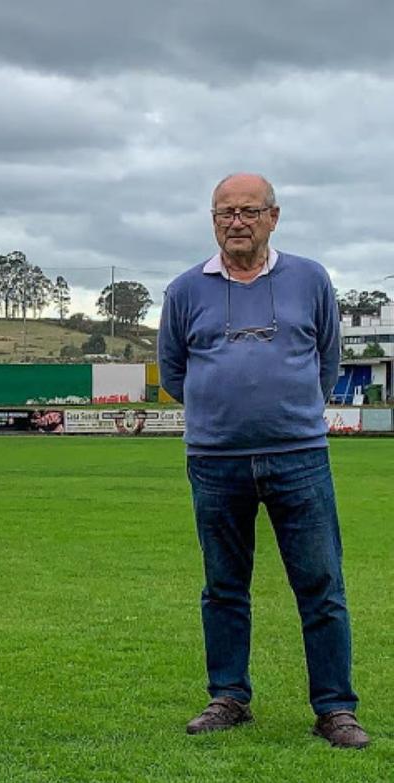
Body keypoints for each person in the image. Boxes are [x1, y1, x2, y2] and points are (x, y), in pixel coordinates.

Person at [158, 173, 368, 748]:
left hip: (299, 456)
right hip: (215, 461)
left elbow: (327, 360)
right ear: (213, 221)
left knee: (321, 583)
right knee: (224, 586)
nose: (237, 222)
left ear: (274, 217)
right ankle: (228, 697)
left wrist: (287, 410)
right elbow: (176, 373)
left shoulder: (311, 279)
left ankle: (335, 709)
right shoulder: (183, 290)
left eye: (250, 211)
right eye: (225, 212)